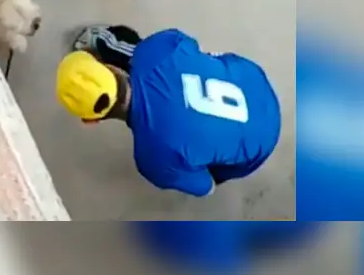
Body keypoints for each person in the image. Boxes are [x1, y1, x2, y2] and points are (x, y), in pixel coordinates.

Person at [55, 25, 282, 197]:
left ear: (90, 121)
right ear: (110, 67)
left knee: (202, 172)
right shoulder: (157, 51)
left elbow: (207, 187)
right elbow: (187, 42)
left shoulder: (153, 160)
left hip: (259, 144)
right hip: (253, 81)